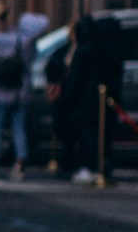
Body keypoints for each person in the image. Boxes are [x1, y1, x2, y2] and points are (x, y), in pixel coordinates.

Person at [52, 11, 124, 183]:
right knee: (102, 137)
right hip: (105, 102)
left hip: (85, 102)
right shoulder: (107, 51)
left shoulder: (83, 51)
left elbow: (74, 78)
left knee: (87, 136)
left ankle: (89, 167)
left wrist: (67, 98)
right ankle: (102, 167)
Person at [0, 4, 46, 182]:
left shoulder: (6, 40)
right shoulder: (29, 43)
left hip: (1, 88)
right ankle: (20, 163)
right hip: (21, 88)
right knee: (19, 127)